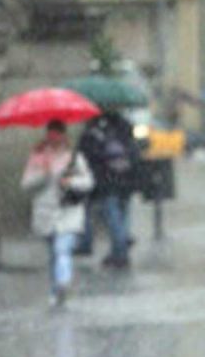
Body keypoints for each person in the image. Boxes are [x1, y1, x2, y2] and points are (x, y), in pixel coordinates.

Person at [20, 120, 94, 307]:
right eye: (51, 135)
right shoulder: (38, 157)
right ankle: (55, 291)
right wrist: (44, 175)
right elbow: (26, 184)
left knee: (62, 249)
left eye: (57, 134)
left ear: (63, 136)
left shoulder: (74, 157)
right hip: (45, 212)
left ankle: (63, 283)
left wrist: (71, 182)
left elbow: (88, 182)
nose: (54, 138)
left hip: (68, 211)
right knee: (54, 254)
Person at [75, 110, 138, 269]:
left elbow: (86, 156)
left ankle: (120, 253)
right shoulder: (125, 129)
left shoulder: (93, 132)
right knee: (122, 216)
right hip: (127, 179)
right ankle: (119, 249)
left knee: (113, 217)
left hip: (107, 182)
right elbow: (135, 153)